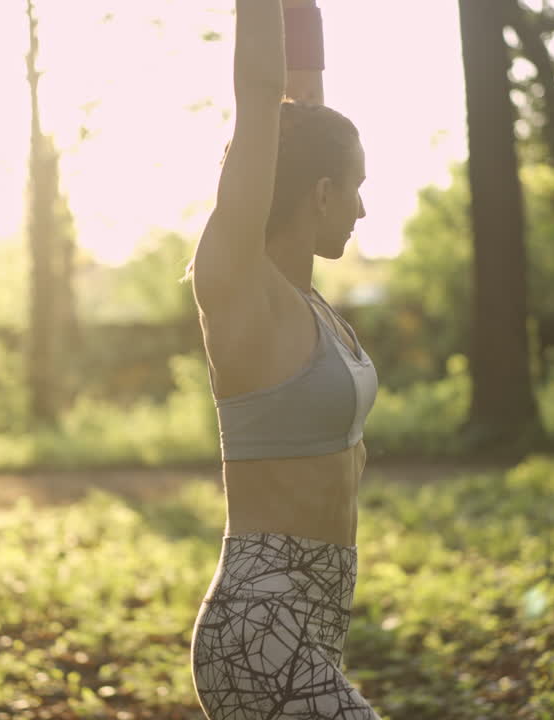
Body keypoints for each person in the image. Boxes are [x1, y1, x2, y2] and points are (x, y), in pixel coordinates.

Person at [187, 0, 381, 717]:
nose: (361, 210)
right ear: (323, 193)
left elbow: (304, 123)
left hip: (312, 626)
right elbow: (264, 100)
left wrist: (304, 11)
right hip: (259, 624)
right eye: (356, 188)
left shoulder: (305, 299)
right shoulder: (242, 290)